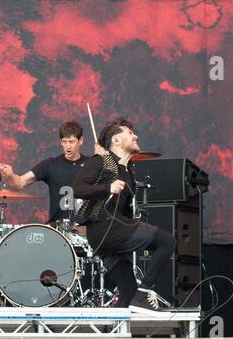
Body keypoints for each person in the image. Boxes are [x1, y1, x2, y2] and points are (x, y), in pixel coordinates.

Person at [72, 118, 176, 311]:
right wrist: (107, 187)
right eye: (129, 133)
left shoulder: (127, 172)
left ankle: (114, 334)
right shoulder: (102, 161)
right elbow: (78, 188)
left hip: (108, 235)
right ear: (116, 141)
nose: (135, 135)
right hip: (105, 227)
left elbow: (125, 210)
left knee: (127, 292)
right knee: (166, 241)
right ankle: (144, 292)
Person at [0, 121, 94, 224]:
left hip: (85, 229)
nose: (68, 146)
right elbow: (19, 183)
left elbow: (110, 185)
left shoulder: (92, 164)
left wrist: (103, 157)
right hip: (57, 229)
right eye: (64, 142)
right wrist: (10, 175)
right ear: (60, 142)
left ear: (81, 141)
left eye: (71, 142)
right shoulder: (50, 165)